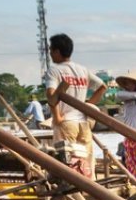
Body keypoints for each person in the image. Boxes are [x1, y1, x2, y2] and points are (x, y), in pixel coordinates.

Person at [45, 34, 106, 177]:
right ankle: (89, 186)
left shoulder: (54, 70)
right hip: (83, 123)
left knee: (65, 162)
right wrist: (87, 106)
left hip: (66, 122)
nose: (50, 53)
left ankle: (70, 190)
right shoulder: (82, 70)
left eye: (51, 50)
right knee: (86, 162)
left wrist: (57, 117)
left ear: (57, 51)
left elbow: (51, 95)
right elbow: (102, 87)